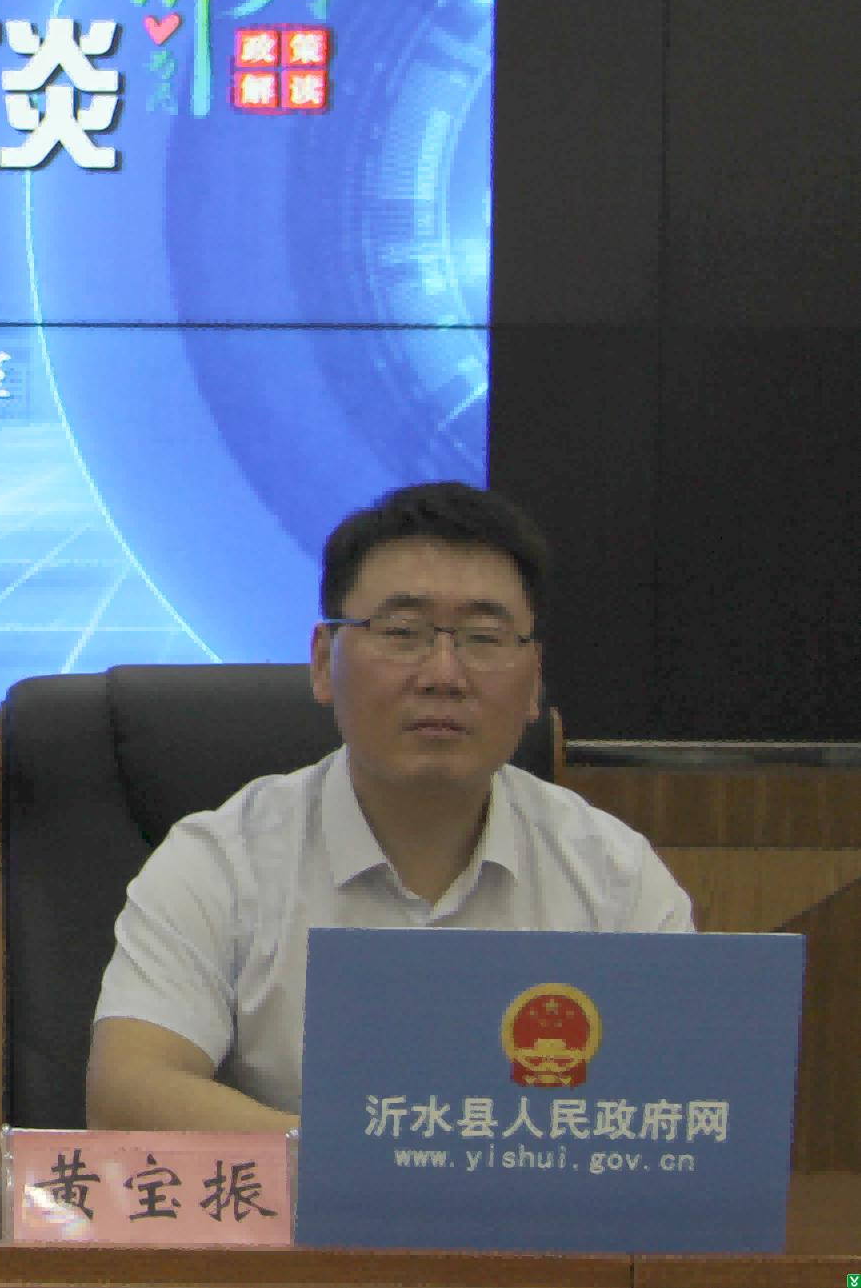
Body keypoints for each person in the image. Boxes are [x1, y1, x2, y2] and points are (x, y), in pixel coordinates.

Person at [85, 481, 692, 1132]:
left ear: (533, 680)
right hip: (301, 1203)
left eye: (484, 637)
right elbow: (127, 1093)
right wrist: (376, 1159)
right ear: (323, 662)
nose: (443, 675)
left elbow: (685, 1109)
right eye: (402, 632)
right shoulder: (220, 863)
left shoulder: (612, 874)